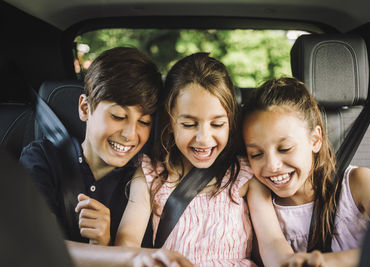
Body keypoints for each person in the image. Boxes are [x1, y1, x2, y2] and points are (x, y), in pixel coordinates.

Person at [115, 52, 257, 266]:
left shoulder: (245, 173)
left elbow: (271, 240)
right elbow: (127, 240)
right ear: (170, 122)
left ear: (230, 122)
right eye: (189, 125)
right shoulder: (151, 174)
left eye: (217, 124)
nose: (203, 138)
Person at [19, 47, 162, 246]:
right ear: (85, 108)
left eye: (144, 122)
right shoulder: (42, 159)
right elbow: (39, 247)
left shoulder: (140, 186)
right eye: (118, 116)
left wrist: (105, 244)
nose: (130, 134)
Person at [242, 77, 370, 266]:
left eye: (285, 149)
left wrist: (325, 262)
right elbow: (273, 246)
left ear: (315, 140)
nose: (272, 165)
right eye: (256, 154)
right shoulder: (262, 199)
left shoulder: (358, 183)